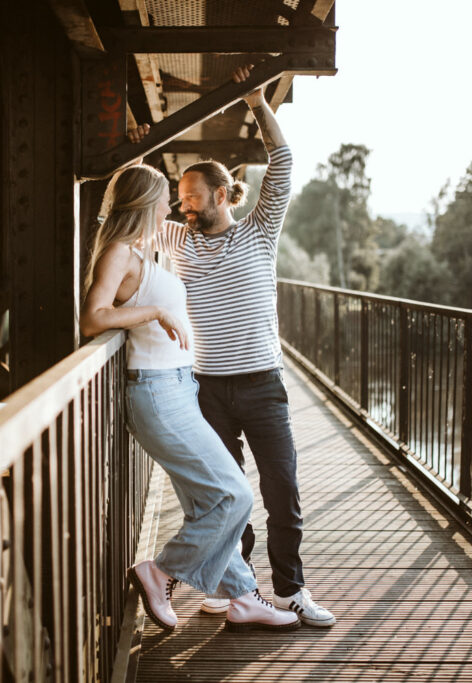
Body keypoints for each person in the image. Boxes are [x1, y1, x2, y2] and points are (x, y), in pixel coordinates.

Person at [129, 66, 336, 627]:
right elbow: (134, 218)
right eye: (180, 197)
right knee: (226, 494)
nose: (184, 206)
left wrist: (255, 102)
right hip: (206, 387)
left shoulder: (260, 230)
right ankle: (235, 589)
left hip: (263, 383)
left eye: (193, 197)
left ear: (223, 194)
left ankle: (292, 592)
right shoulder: (178, 237)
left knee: (282, 491)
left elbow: (285, 164)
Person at [80, 163, 300, 633]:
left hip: (181, 386)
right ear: (146, 204)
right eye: (166, 200)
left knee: (208, 501)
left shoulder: (146, 247)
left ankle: (241, 598)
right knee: (234, 496)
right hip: (158, 393)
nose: (173, 208)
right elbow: (93, 318)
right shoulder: (121, 250)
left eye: (180, 199)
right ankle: (159, 570)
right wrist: (156, 309)